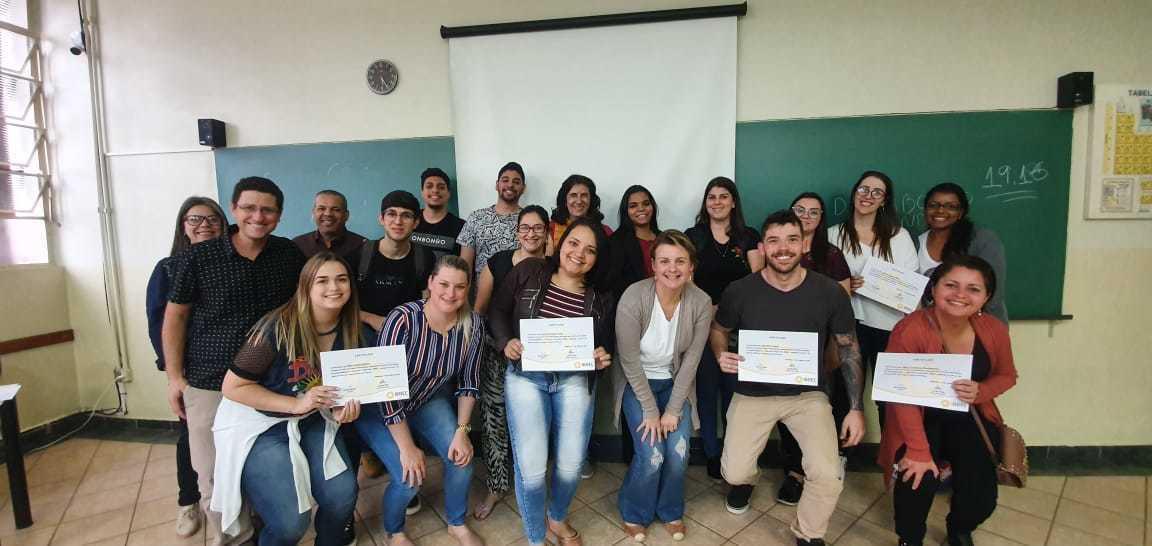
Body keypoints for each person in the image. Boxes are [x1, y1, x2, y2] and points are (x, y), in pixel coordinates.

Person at [164, 176, 307, 545]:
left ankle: (264, 532)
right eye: (249, 208)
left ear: (279, 215)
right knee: (214, 476)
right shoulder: (199, 257)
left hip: (269, 383)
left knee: (263, 470)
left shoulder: (289, 255)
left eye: (267, 210)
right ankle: (233, 538)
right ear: (233, 209)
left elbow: (305, 309)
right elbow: (175, 316)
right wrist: (175, 377)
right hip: (210, 381)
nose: (258, 216)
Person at [712, 210, 866, 546]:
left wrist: (855, 408)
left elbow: (849, 348)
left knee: (827, 474)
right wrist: (721, 353)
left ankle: (809, 533)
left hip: (807, 396)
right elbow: (719, 330)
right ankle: (748, 480)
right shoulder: (740, 291)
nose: (783, 248)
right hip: (753, 392)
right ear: (763, 247)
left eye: (792, 239)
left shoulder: (829, 292)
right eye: (774, 241)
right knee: (735, 471)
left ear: (803, 244)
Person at [213, 252, 363, 545]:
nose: (334, 287)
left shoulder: (351, 329)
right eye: (322, 280)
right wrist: (296, 404)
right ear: (305, 287)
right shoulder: (276, 328)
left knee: (342, 497)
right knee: (290, 523)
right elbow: (233, 387)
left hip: (311, 419)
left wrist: (340, 409)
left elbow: (334, 388)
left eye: (341, 279)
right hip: (260, 424)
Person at [489, 218, 615, 546]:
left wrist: (602, 356)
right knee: (531, 468)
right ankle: (535, 538)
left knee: (571, 465)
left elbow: (604, 345)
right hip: (526, 378)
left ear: (598, 258)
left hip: (574, 380)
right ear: (560, 242)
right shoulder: (529, 271)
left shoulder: (602, 297)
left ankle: (556, 519)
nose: (579, 253)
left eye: (590, 250)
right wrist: (505, 342)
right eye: (573, 243)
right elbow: (497, 311)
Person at [879, 256, 1017, 546]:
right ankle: (910, 538)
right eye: (951, 285)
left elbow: (1007, 375)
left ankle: (959, 528)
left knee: (981, 493)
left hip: (970, 417)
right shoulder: (909, 329)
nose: (960, 295)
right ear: (934, 289)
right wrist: (918, 450)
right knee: (917, 477)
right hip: (918, 417)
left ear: (986, 297)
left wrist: (982, 391)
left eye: (973, 289)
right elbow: (899, 393)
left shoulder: (994, 329)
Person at [354, 256, 485, 546]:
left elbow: (469, 381)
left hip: (425, 399)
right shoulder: (402, 318)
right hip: (380, 407)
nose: (451, 293)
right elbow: (384, 388)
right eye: (444, 284)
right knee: (408, 475)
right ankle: (395, 531)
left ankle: (456, 523)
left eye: (459, 287)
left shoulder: (473, 324)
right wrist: (407, 447)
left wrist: (462, 431)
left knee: (461, 459)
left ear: (468, 289)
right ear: (430, 283)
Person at [611, 230, 712, 543]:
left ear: (691, 266)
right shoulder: (633, 297)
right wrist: (651, 411)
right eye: (664, 261)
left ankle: (669, 510)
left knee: (679, 454)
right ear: (653, 265)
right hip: (637, 383)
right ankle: (634, 511)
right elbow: (629, 360)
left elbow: (692, 361)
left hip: (675, 383)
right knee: (653, 455)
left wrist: (672, 410)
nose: (672, 268)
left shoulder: (701, 302)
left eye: (680, 261)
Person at [146, 196, 226, 538]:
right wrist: (174, 375)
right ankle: (188, 502)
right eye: (195, 219)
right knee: (190, 439)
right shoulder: (168, 268)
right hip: (189, 372)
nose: (204, 225)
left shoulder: (230, 265)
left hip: (229, 369)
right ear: (183, 226)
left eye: (212, 219)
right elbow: (158, 323)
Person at [470, 204, 549, 520]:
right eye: (525, 227)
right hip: (498, 355)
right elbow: (480, 310)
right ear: (517, 232)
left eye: (538, 227)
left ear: (547, 233)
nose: (531, 233)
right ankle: (496, 486)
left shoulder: (556, 266)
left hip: (540, 360)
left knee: (536, 424)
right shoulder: (498, 262)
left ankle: (534, 484)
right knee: (494, 424)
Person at [683, 176, 764, 480]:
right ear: (705, 203)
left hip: (739, 328)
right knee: (706, 391)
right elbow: (687, 279)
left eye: (723, 196)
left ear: (733, 202)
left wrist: (730, 312)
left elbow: (757, 280)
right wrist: (708, 309)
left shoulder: (748, 236)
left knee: (734, 394)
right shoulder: (694, 236)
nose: (717, 202)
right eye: (711, 197)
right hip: (702, 324)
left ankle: (733, 453)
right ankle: (711, 453)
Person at [775, 192, 853, 506]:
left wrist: (832, 345)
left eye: (814, 212)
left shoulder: (831, 255)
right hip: (783, 346)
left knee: (822, 408)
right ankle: (795, 472)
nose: (806, 216)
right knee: (785, 408)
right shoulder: (777, 251)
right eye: (800, 210)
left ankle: (821, 470)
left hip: (822, 347)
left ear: (821, 219)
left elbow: (844, 301)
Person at [828, 171, 918, 426]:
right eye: (863, 189)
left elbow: (910, 285)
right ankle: (844, 447)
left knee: (889, 398)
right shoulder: (833, 234)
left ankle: (892, 449)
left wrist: (882, 285)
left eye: (877, 192)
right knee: (844, 395)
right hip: (848, 324)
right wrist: (845, 286)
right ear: (854, 193)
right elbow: (822, 282)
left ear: (884, 200)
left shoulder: (899, 236)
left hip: (890, 326)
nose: (868, 196)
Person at [918, 183, 1008, 324]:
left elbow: (993, 292)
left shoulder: (982, 240)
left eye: (951, 206)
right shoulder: (915, 242)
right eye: (933, 205)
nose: (940, 210)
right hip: (929, 327)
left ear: (961, 213)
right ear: (925, 210)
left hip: (977, 326)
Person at [348, 190, 436, 332]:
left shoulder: (425, 257)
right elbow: (342, 305)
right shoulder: (359, 255)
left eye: (406, 215)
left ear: (416, 222)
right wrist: (372, 319)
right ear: (381, 219)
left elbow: (428, 304)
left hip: (408, 333)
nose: (398, 221)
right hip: (365, 335)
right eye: (391, 214)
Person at [458, 161, 526, 277]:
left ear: (523, 188)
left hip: (518, 286)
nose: (510, 185)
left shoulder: (528, 221)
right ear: (497, 185)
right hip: (481, 288)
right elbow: (465, 265)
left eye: (516, 182)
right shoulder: (476, 217)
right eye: (505, 180)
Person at [608, 185, 661, 301]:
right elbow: (613, 285)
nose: (641, 209)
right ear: (626, 211)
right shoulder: (616, 242)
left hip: (664, 302)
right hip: (631, 305)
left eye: (646, 204)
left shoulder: (664, 238)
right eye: (633, 206)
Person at [546, 174, 613, 255]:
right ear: (565, 200)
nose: (579, 201)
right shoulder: (550, 229)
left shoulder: (605, 231)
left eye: (584, 195)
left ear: (591, 200)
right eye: (573, 195)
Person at [292, 190, 367, 259]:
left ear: (346, 215)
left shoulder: (363, 247)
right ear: (313, 213)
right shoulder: (298, 245)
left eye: (336, 209)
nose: (328, 214)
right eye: (321, 208)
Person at [412, 167, 466, 259]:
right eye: (429, 186)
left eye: (441, 187)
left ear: (448, 193)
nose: (435, 190)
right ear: (422, 192)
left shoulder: (462, 227)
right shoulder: (410, 221)